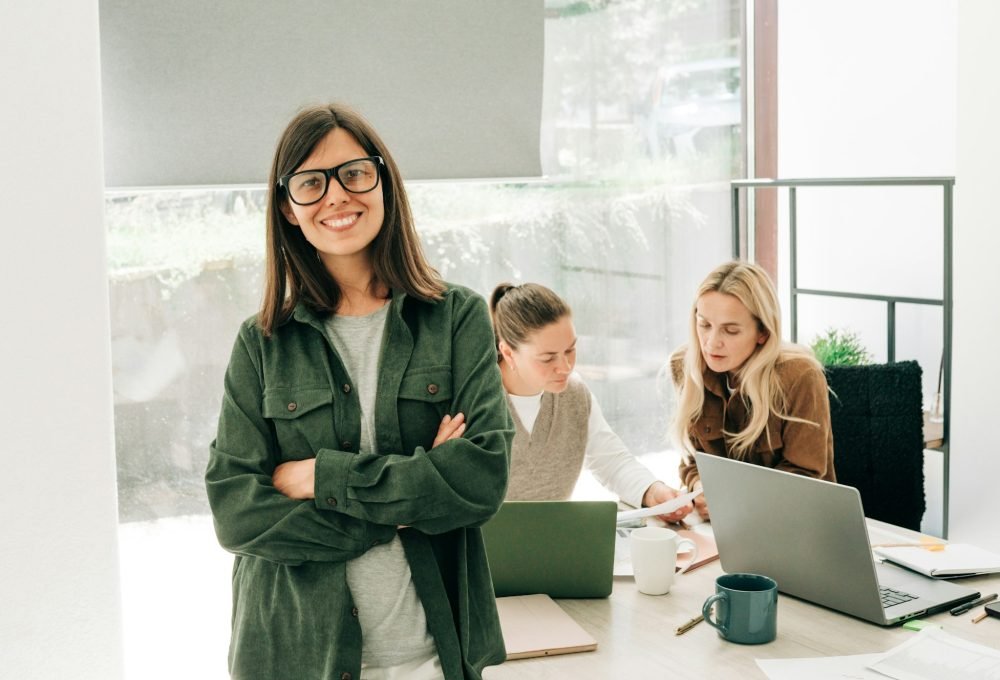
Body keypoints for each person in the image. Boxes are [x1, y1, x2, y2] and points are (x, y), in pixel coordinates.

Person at [205, 103, 513, 680]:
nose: (336, 197)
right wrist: (406, 503)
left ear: (383, 180)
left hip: (428, 654)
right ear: (288, 208)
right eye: (310, 183)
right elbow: (237, 513)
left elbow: (480, 479)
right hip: (297, 658)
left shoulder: (457, 319)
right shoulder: (261, 342)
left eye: (353, 173)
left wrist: (320, 478)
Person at [489, 282, 688, 522]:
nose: (565, 367)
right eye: (548, 357)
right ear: (508, 353)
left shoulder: (574, 395)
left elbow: (612, 462)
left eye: (570, 350)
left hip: (555, 545)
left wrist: (653, 491)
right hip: (484, 555)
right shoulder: (477, 400)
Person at [669, 260, 835, 520]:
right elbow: (692, 461)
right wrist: (702, 489)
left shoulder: (800, 376)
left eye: (731, 330)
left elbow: (805, 478)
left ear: (763, 333)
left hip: (793, 524)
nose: (712, 343)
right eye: (704, 324)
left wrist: (737, 502)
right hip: (721, 527)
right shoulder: (686, 366)